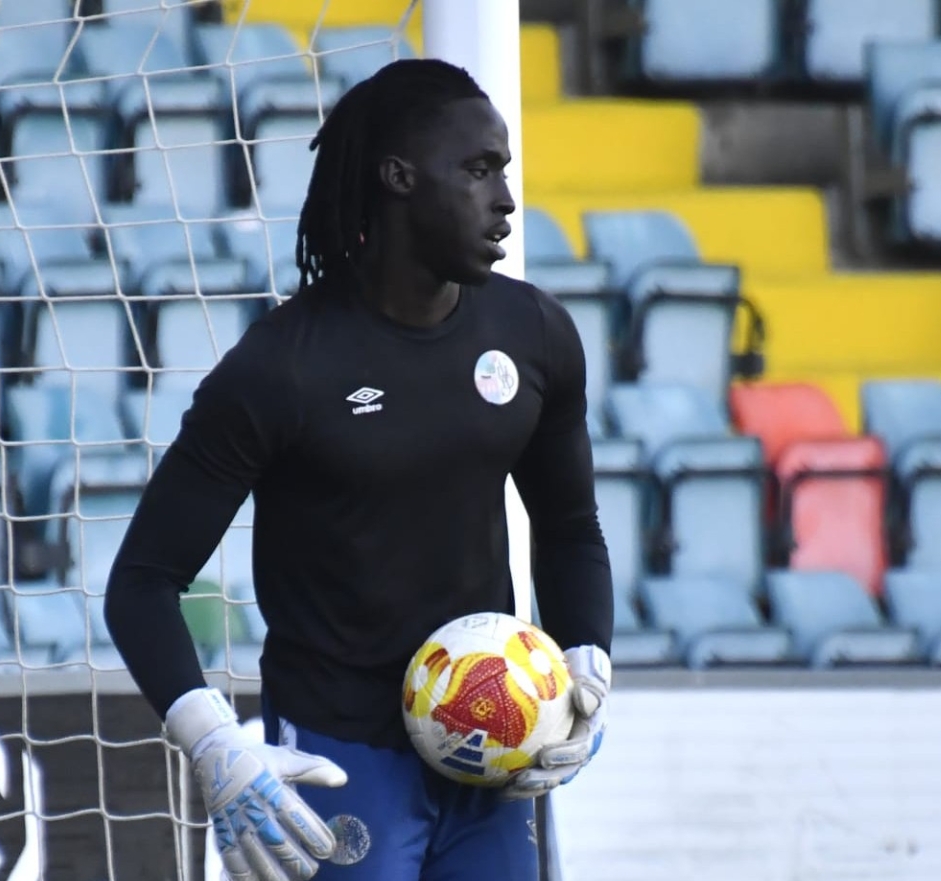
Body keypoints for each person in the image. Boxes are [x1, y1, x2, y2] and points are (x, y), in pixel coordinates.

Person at [104, 59, 614, 881]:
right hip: (340, 756)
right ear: (399, 179)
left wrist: (586, 662)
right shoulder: (281, 368)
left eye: (504, 171)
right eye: (479, 170)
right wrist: (214, 743)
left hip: (496, 749)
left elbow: (569, 526)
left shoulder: (536, 334)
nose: (506, 200)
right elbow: (141, 581)